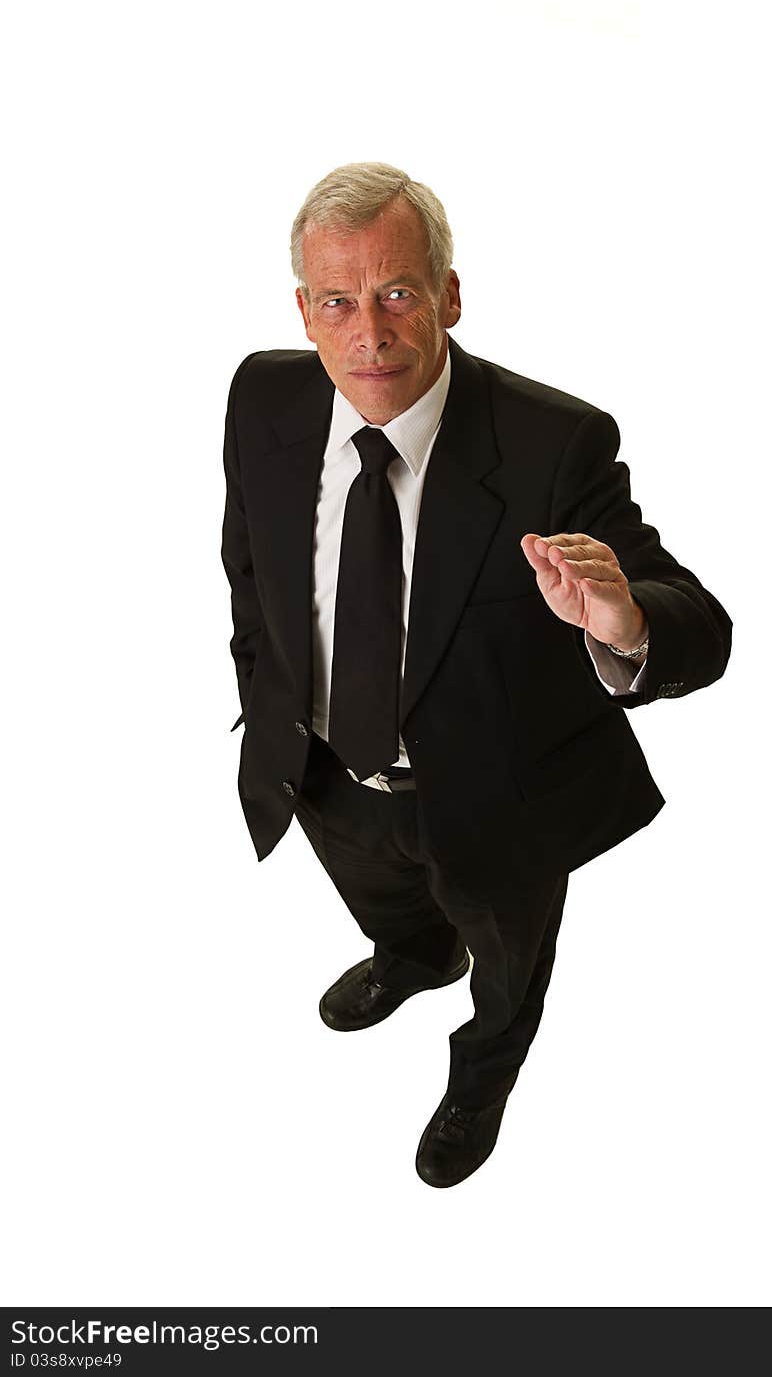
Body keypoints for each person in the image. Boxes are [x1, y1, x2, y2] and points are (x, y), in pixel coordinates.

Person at [221, 161, 732, 1188]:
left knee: (506, 969)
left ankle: (484, 1071)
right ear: (304, 310)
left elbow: (702, 628)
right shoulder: (261, 394)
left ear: (450, 294)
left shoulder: (551, 443)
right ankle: (414, 957)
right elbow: (249, 561)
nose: (369, 333)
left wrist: (622, 620)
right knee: (386, 903)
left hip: (495, 805)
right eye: (339, 301)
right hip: (324, 771)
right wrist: (266, 697)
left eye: (399, 292)